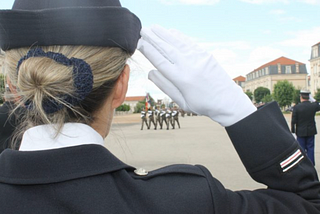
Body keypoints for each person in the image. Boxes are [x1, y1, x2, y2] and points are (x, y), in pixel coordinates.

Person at [0, 0, 319, 213]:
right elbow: (309, 202)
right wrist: (238, 111)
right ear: (122, 86)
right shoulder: (185, 200)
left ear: (14, 87)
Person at [291, 90, 320, 165]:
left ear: (301, 97)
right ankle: (311, 163)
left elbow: (293, 120)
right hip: (311, 130)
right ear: (309, 97)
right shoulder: (313, 106)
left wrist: (293, 130)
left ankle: (303, 164)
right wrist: (314, 100)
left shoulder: (297, 107)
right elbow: (318, 105)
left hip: (300, 131)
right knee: (310, 148)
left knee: (301, 149)